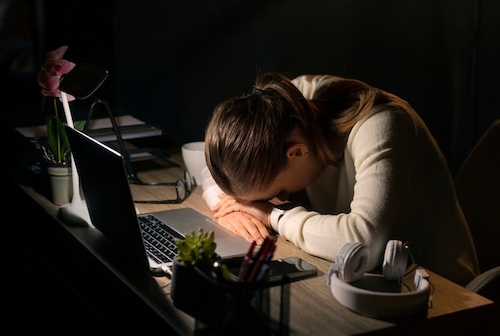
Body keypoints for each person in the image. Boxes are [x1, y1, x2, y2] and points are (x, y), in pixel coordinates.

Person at [201, 72, 479, 286]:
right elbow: (216, 164)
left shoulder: (381, 124)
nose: (281, 197)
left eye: (280, 191)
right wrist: (230, 209)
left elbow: (363, 242)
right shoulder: (285, 106)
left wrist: (272, 215)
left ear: (296, 152)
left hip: (436, 287)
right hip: (366, 276)